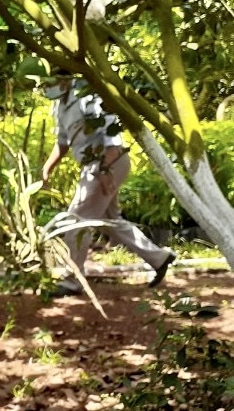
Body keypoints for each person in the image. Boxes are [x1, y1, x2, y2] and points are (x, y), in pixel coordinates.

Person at [41, 72, 176, 297]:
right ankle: (158, 257)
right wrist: (47, 168)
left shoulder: (86, 94)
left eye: (49, 82)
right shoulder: (60, 105)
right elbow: (63, 142)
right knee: (108, 222)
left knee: (75, 221)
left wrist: (105, 169)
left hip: (107, 161)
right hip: (94, 165)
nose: (46, 87)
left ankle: (73, 280)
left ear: (63, 79)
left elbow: (110, 133)